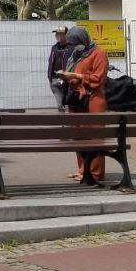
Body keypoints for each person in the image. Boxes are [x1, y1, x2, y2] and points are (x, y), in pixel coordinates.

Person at [57, 26, 109, 182]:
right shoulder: (76, 54)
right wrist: (67, 77)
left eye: (76, 43)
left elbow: (98, 78)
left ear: (84, 39)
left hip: (93, 100)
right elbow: (74, 75)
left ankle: (95, 173)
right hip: (77, 100)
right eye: (72, 43)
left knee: (94, 138)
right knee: (79, 136)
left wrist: (76, 76)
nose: (74, 46)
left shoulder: (99, 54)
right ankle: (83, 170)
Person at [48, 26, 74, 111]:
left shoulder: (72, 48)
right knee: (60, 106)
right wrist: (50, 77)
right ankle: (62, 120)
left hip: (68, 79)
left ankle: (68, 121)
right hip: (55, 80)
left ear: (67, 35)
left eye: (61, 34)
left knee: (68, 104)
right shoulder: (54, 47)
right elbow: (51, 61)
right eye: (57, 34)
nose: (58, 36)